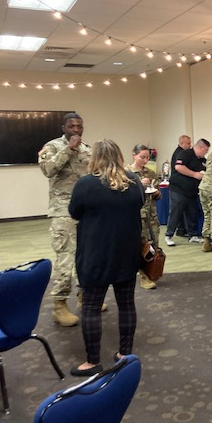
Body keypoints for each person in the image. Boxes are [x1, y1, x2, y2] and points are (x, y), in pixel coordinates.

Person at [68, 139, 144, 376]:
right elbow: (139, 206)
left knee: (90, 308)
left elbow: (74, 212)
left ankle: (92, 361)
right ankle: (125, 354)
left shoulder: (85, 184)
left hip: (95, 256)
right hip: (127, 254)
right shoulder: (135, 183)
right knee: (127, 305)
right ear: (120, 156)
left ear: (95, 158)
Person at [38, 112, 98, 327]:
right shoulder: (52, 147)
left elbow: (96, 174)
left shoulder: (88, 149)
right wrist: (69, 148)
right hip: (63, 211)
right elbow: (47, 169)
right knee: (66, 256)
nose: (76, 130)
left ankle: (85, 297)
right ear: (63, 127)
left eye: (79, 127)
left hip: (86, 210)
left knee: (88, 255)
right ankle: (60, 305)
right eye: (71, 126)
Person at [126, 144, 161, 290]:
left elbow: (158, 195)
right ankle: (140, 275)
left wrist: (155, 192)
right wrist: (138, 185)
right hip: (134, 216)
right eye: (142, 157)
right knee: (138, 247)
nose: (145, 160)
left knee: (153, 245)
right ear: (134, 155)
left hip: (150, 216)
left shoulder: (150, 173)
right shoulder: (125, 173)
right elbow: (122, 194)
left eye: (147, 157)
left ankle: (149, 274)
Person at [165, 139, 209, 246]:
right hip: (179, 189)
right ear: (201, 148)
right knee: (176, 212)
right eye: (206, 150)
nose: (206, 153)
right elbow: (178, 167)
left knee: (192, 212)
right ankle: (169, 235)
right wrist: (194, 174)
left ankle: (192, 235)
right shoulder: (185, 154)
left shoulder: (202, 159)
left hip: (192, 191)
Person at [170, 135, 192, 237]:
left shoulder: (180, 152)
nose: (190, 145)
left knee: (181, 212)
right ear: (181, 143)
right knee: (176, 212)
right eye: (188, 143)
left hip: (182, 187)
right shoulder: (180, 153)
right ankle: (169, 234)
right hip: (178, 187)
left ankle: (181, 230)